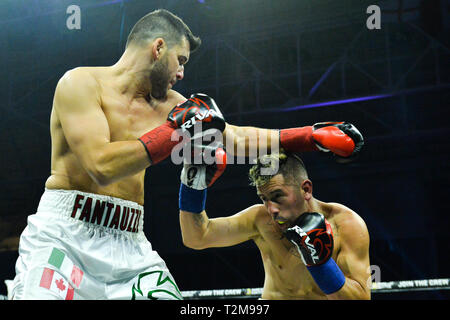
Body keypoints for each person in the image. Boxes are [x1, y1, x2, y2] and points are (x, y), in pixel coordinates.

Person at [10, 8, 363, 300]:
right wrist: (173, 132)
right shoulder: (81, 84)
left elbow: (235, 139)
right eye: (180, 60)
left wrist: (309, 137)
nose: (181, 73)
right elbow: (102, 166)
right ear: (158, 48)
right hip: (67, 234)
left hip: (129, 242)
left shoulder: (172, 106)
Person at [178, 150, 371, 299]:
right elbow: (196, 237)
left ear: (306, 189)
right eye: (264, 199)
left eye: (277, 196)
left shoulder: (346, 224)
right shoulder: (260, 219)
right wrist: (192, 186)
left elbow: (360, 298)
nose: (272, 209)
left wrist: (321, 263)